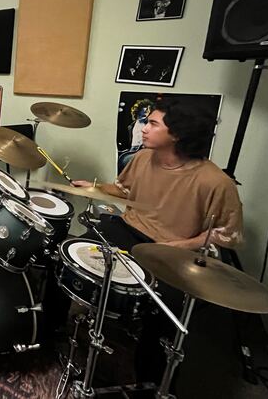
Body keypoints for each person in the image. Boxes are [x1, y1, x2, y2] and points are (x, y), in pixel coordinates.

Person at [70, 97, 243, 385]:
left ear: (177, 134)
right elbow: (126, 191)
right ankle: (49, 330)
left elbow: (227, 234)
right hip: (129, 229)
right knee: (71, 256)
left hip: (174, 250)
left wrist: (179, 247)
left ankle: (150, 383)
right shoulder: (142, 158)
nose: (144, 129)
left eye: (152, 123)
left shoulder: (216, 182)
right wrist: (95, 188)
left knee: (163, 314)